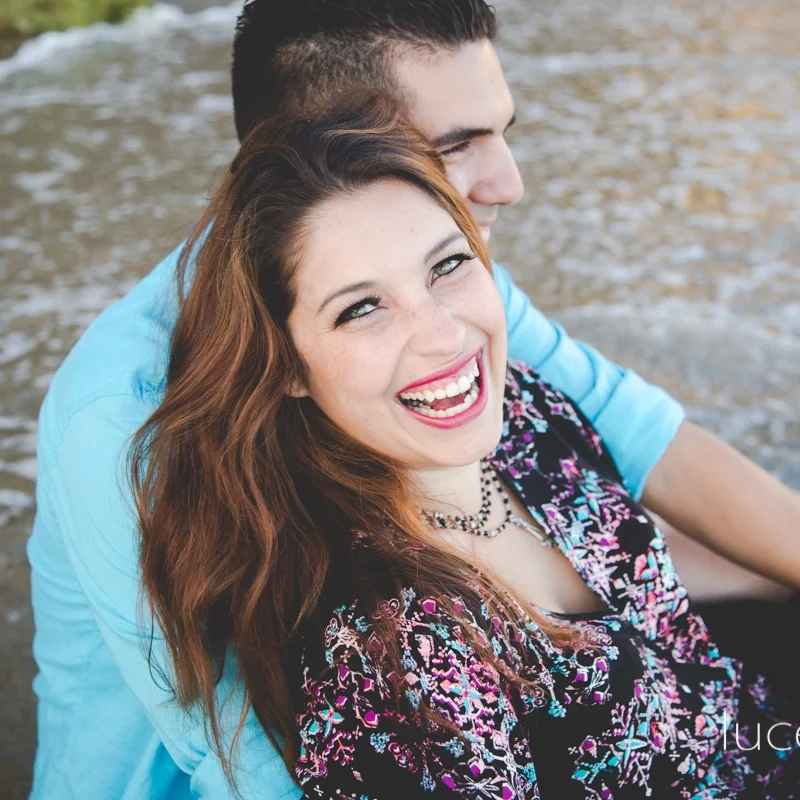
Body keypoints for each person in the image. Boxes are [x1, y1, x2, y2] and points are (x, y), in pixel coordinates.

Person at [26, 1, 800, 798]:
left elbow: (634, 432)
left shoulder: (439, 279)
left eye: (504, 130)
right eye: (457, 145)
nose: (510, 181)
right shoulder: (122, 412)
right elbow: (224, 739)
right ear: (331, 144)